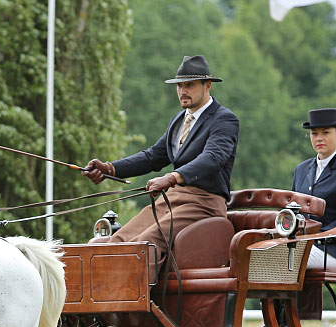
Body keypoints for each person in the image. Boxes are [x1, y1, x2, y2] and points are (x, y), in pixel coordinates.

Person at [83, 55, 239, 271]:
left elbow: (213, 158)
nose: (183, 91)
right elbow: (153, 157)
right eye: (180, 86)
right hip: (172, 199)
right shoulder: (179, 120)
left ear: (207, 85)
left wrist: (172, 177)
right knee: (118, 240)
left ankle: (138, 303)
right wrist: (111, 168)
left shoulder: (224, 119)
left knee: (145, 244)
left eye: (190, 85)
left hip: (204, 204)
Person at [292, 108, 336, 269]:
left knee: (288, 257)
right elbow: (293, 210)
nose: (319, 138)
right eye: (314, 134)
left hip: (335, 250)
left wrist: (315, 235)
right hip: (302, 245)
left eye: (325, 133)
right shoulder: (301, 169)